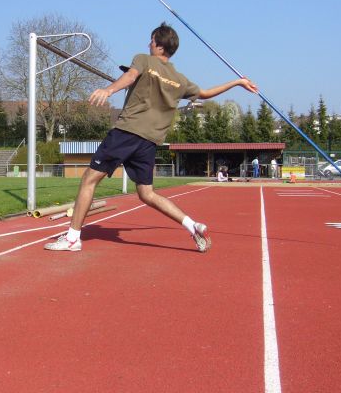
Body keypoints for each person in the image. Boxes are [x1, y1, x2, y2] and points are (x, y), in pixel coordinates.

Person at [44, 22, 258, 253]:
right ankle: (193, 225)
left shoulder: (143, 60)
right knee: (146, 193)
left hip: (127, 131)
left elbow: (130, 75)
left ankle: (73, 238)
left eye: (152, 41)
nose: (149, 44)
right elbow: (205, 93)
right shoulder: (180, 79)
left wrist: (109, 90)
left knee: (89, 179)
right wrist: (237, 82)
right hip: (149, 142)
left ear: (159, 46)